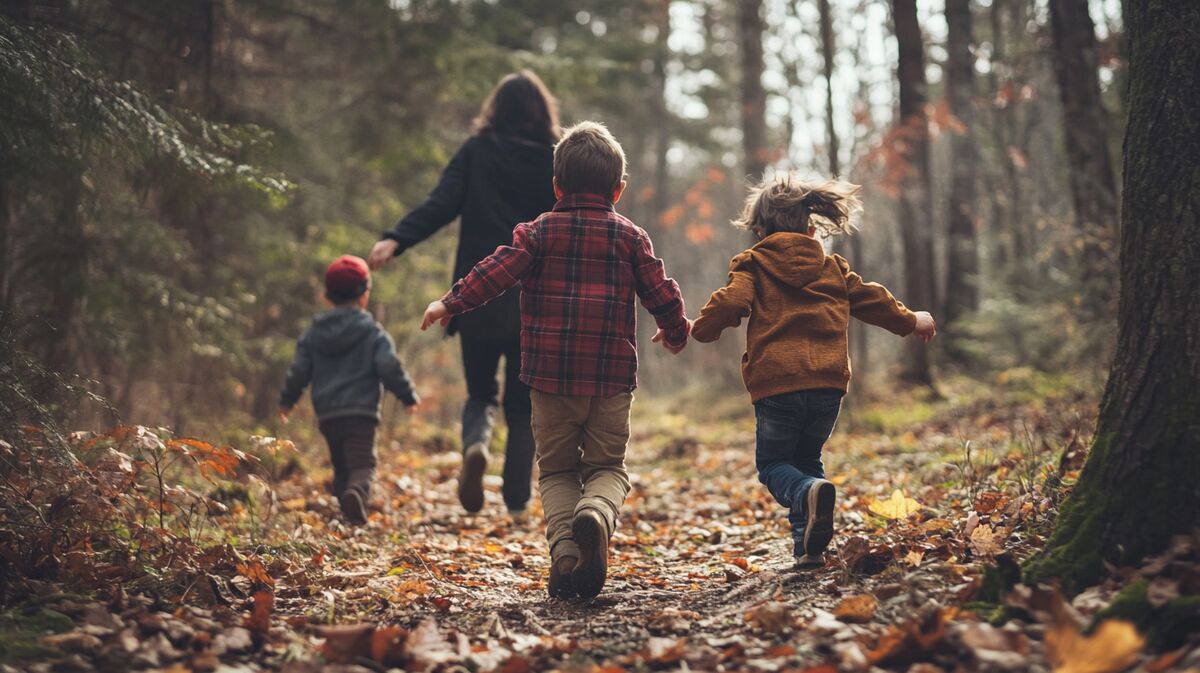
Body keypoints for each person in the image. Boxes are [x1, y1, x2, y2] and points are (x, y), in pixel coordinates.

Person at [420, 121, 691, 599]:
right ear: (619, 189)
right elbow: (659, 289)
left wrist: (451, 302)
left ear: (557, 186)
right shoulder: (631, 237)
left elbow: (495, 271)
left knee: (559, 472)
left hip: (548, 382)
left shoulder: (537, 233)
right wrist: (674, 330)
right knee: (608, 468)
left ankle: (566, 553)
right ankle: (597, 516)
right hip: (610, 380)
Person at [690, 175, 936, 568]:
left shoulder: (753, 263)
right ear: (810, 227)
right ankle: (808, 549)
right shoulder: (832, 266)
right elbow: (873, 300)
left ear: (759, 229)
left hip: (777, 384)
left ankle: (807, 500)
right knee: (808, 459)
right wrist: (912, 320)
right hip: (828, 384)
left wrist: (699, 329)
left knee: (774, 466)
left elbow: (731, 301)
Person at [367, 71, 559, 519]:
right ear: (542, 112)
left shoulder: (477, 151)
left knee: (479, 392)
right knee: (520, 400)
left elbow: (441, 202)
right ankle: (516, 498)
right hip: (534, 299)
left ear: (497, 108)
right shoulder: (555, 161)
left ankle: (476, 445)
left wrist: (396, 238)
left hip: (478, 294)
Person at [279, 255, 420, 525]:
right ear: (364, 296)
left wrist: (287, 400)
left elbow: (299, 370)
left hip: (328, 413)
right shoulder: (372, 332)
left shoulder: (314, 333)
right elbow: (388, 366)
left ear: (326, 296)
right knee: (363, 465)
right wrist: (406, 395)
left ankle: (349, 513)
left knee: (341, 465)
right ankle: (356, 494)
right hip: (361, 412)